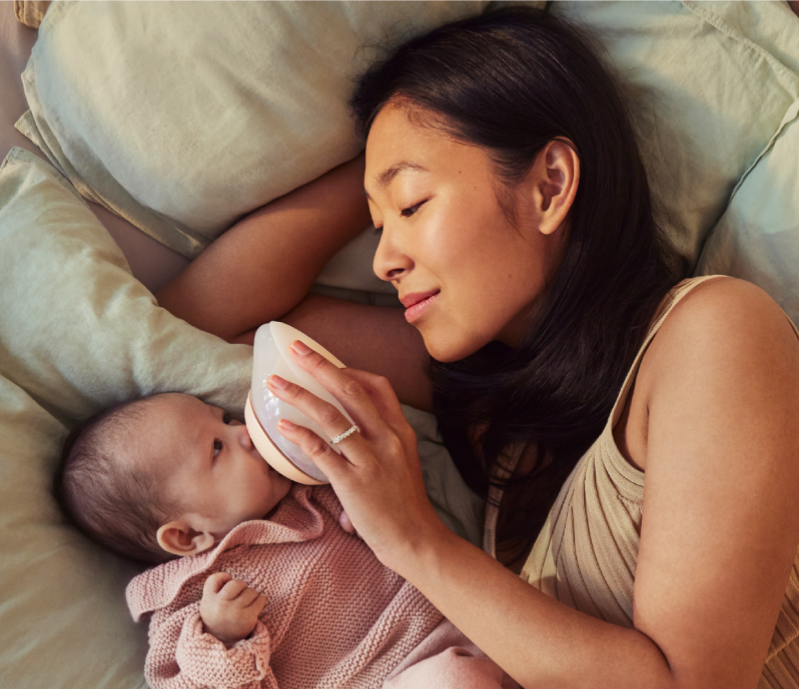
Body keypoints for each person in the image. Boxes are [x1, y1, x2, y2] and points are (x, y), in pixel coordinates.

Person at [155, 7, 799, 688]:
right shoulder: (495, 411)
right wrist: (377, 175)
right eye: (375, 228)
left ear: (549, 184)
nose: (380, 262)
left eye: (410, 206)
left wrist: (413, 539)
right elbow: (208, 317)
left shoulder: (716, 334)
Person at [55, 392, 511, 689]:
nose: (245, 435)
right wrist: (222, 638)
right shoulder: (189, 604)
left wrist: (366, 505)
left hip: (464, 629)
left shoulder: (313, 493)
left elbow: (395, 516)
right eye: (217, 448)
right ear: (188, 535)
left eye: (229, 420)